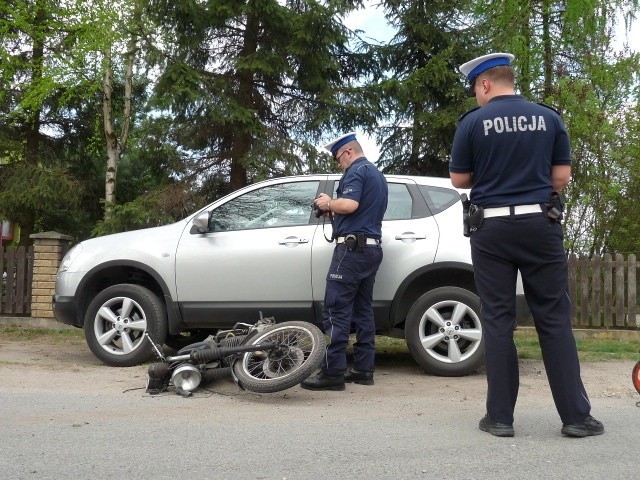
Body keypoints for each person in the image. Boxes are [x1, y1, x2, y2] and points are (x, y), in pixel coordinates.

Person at [449, 53, 604, 438]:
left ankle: (500, 419)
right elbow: (562, 177)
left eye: (475, 89)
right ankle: (576, 418)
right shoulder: (549, 117)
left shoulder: (472, 123)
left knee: (499, 320)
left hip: (492, 231)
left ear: (484, 84)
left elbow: (458, 179)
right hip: (540, 225)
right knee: (553, 318)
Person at [301, 132, 388, 391]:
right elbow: (356, 208)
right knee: (362, 311)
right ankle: (363, 369)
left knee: (336, 309)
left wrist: (330, 202)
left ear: (348, 152)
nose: (339, 163)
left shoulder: (356, 171)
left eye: (339, 158)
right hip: (370, 249)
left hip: (351, 252)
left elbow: (350, 205)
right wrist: (333, 209)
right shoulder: (376, 174)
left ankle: (332, 373)